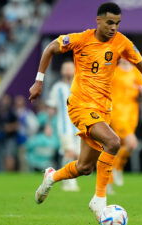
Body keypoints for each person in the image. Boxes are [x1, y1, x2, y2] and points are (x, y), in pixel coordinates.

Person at [28, 2, 142, 220]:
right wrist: (38, 82)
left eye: (117, 23)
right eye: (109, 22)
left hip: (102, 110)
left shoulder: (122, 43)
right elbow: (50, 47)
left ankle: (51, 177)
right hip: (80, 105)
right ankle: (99, 200)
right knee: (114, 142)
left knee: (85, 167)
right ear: (98, 21)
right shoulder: (80, 39)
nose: (114, 27)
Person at [108, 58, 142, 190]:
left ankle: (110, 178)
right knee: (132, 143)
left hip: (132, 115)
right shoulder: (114, 71)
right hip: (117, 113)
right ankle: (116, 169)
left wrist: (141, 90)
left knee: (119, 147)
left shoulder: (136, 72)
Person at [47, 61, 81, 192]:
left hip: (79, 127)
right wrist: (48, 125)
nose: (67, 71)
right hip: (64, 126)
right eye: (65, 68)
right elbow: (51, 108)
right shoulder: (58, 87)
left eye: (69, 68)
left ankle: (62, 177)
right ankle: (70, 182)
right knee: (69, 152)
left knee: (78, 155)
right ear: (61, 71)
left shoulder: (80, 85)